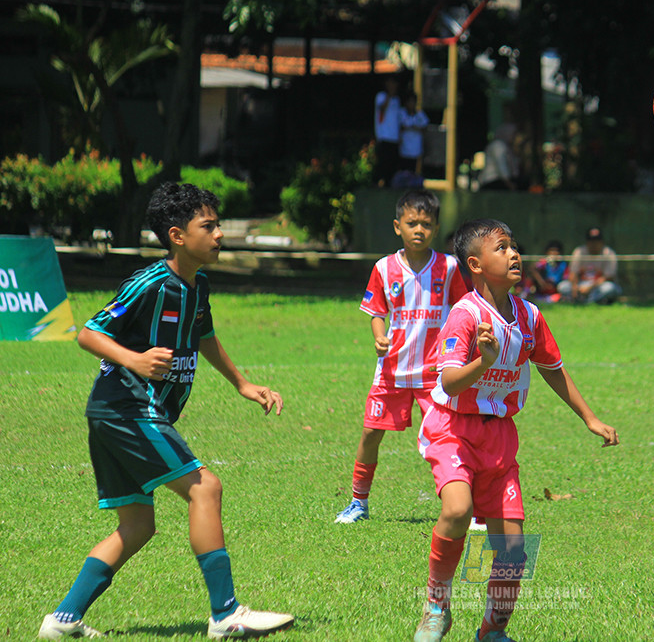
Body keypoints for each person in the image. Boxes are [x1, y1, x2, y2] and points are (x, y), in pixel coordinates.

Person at [38, 183, 293, 640]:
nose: (218, 235)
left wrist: (242, 383)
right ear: (177, 235)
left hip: (123, 413)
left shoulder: (199, 286)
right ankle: (227, 614)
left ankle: (63, 620)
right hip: (127, 408)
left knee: (137, 526)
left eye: (217, 225)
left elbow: (205, 335)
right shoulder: (149, 282)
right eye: (208, 226)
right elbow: (89, 333)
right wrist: (134, 360)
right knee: (205, 488)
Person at [412, 218, 620, 642]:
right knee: (456, 509)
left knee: (513, 549)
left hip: (500, 436)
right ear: (475, 264)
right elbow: (450, 381)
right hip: (452, 427)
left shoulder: (529, 316)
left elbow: (552, 369)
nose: (514, 254)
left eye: (514, 246)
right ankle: (437, 604)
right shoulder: (465, 316)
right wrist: (483, 362)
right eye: (502, 247)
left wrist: (589, 417)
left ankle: (492, 629)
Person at [335, 189, 470, 524]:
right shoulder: (384, 268)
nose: (419, 230)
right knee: (370, 433)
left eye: (426, 224)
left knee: (449, 437)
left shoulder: (449, 267)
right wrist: (379, 337)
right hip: (392, 371)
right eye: (412, 223)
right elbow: (376, 310)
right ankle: (358, 503)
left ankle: (468, 505)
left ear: (436, 228)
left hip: (435, 374)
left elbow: (464, 309)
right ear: (398, 226)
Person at [560, 227, 622, 304]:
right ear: (587, 242)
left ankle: (584, 301)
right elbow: (573, 273)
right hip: (581, 285)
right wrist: (574, 287)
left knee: (609, 289)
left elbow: (608, 277)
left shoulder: (609, 253)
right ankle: (589, 300)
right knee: (563, 286)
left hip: (598, 286)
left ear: (601, 241)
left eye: (597, 240)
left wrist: (590, 288)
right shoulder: (579, 251)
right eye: (591, 240)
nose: (594, 243)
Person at [374, 76, 402, 187]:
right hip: (384, 136)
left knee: (392, 165)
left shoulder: (397, 100)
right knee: (382, 164)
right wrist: (389, 95)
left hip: (394, 138)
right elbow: (382, 109)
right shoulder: (381, 97)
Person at [477, 124, 519, 191]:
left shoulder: (506, 147)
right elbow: (502, 167)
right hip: (492, 183)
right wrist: (510, 184)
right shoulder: (498, 145)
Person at [398, 90, 430, 175]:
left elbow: (425, 127)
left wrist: (416, 128)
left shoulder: (420, 115)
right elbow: (399, 126)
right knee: (404, 169)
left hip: (416, 148)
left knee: (414, 170)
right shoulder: (401, 113)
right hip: (404, 148)